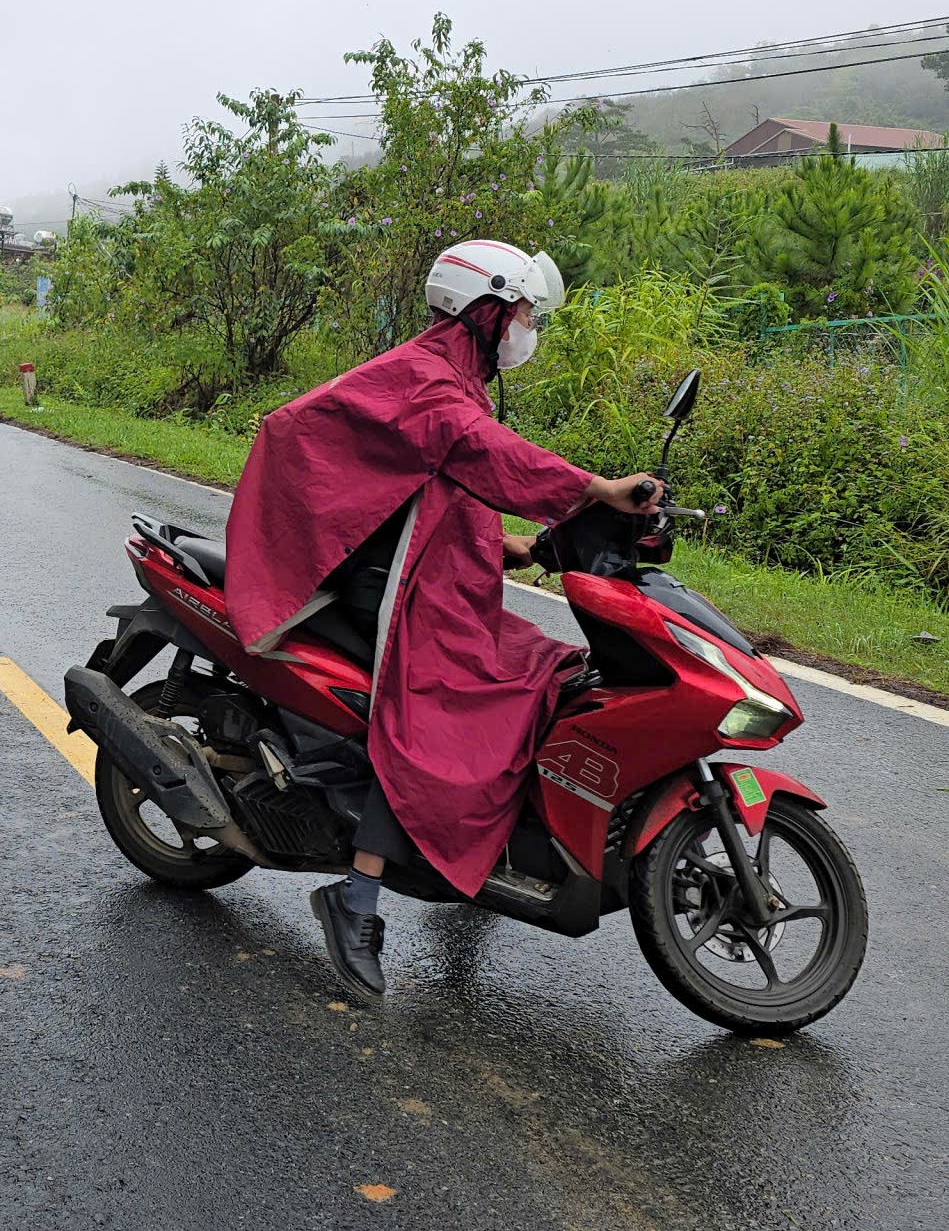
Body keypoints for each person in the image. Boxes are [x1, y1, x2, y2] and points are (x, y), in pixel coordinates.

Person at [221, 240, 659, 1001]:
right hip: (370, 575)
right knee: (444, 710)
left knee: (545, 668)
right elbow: (477, 449)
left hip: (422, 568)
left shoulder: (456, 376)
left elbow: (446, 482)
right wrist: (595, 488)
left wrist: (509, 542)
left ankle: (474, 846)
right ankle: (357, 897)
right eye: (523, 313)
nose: (528, 328)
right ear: (484, 309)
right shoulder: (427, 378)